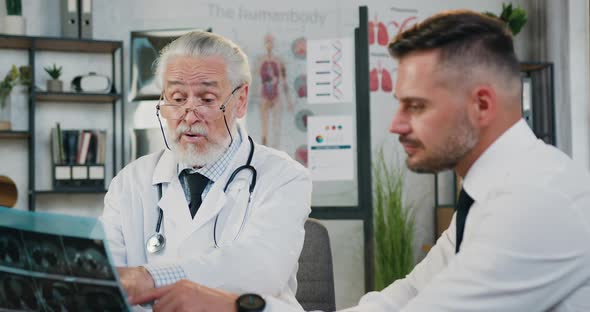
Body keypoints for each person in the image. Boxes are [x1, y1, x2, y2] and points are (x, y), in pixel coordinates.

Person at [131, 10, 590, 312]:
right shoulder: (490, 196)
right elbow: (402, 299)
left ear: (482, 106)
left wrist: (234, 307)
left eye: (416, 106)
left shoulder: (535, 203)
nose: (396, 125)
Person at [100, 31, 311, 310]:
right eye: (176, 98)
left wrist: (151, 278)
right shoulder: (131, 181)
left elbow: (260, 268)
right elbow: (105, 280)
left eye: (207, 99)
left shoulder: (284, 176)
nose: (189, 115)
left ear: (241, 100)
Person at [257, 33, 293, 148]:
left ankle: (275, 151)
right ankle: (264, 151)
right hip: (264, 95)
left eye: (270, 42)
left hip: (276, 95)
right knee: (264, 128)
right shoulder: (260, 61)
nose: (269, 45)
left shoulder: (278, 61)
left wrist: (288, 101)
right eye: (267, 42)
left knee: (276, 127)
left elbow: (284, 81)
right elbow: (255, 80)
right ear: (264, 44)